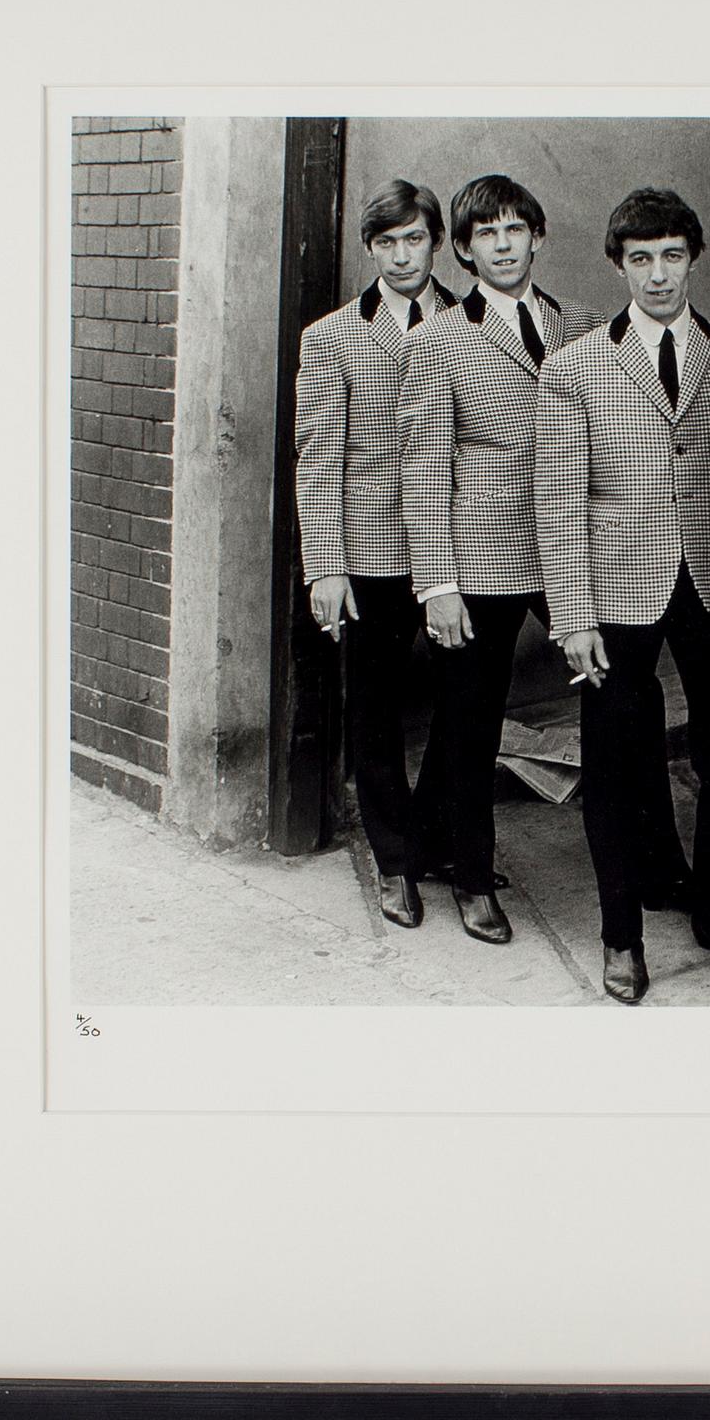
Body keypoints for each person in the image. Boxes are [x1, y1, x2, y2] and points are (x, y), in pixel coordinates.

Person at [535, 188, 710, 1004]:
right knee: (617, 762)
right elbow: (557, 499)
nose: (658, 274)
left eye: (671, 255)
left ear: (693, 257)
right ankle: (620, 935)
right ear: (619, 263)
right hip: (616, 589)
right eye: (640, 258)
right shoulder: (576, 367)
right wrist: (573, 614)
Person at [399, 175, 600, 945]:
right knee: (471, 722)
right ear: (464, 248)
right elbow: (423, 467)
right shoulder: (437, 339)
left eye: (516, 229)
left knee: (620, 695)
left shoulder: (579, 324)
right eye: (486, 233)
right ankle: (473, 880)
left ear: (538, 237)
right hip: (480, 559)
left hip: (566, 550)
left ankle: (650, 866)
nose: (504, 244)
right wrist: (439, 584)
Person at [293, 178, 459, 929]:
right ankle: (395, 860)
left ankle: (432, 837)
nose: (401, 255)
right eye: (386, 242)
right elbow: (318, 457)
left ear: (436, 241)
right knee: (376, 707)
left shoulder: (472, 318)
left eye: (414, 238)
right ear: (370, 249)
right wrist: (325, 565)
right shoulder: (332, 336)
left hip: (460, 546)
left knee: (466, 704)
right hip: (372, 549)